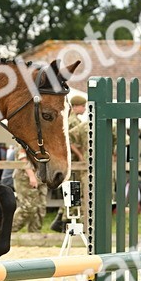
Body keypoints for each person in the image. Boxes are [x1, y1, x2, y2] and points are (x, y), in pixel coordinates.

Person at [50, 94, 89, 231]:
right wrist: (80, 155)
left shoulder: (73, 120)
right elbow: (70, 140)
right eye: (83, 106)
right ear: (76, 106)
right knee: (74, 191)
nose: (84, 108)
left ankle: (61, 220)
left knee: (72, 191)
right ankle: (65, 221)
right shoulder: (73, 122)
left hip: (73, 162)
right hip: (73, 162)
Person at [11, 145, 47, 233]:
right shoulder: (26, 136)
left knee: (40, 208)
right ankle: (7, 232)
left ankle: (34, 235)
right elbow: (22, 157)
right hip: (25, 178)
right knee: (28, 207)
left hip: (41, 177)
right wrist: (31, 176)